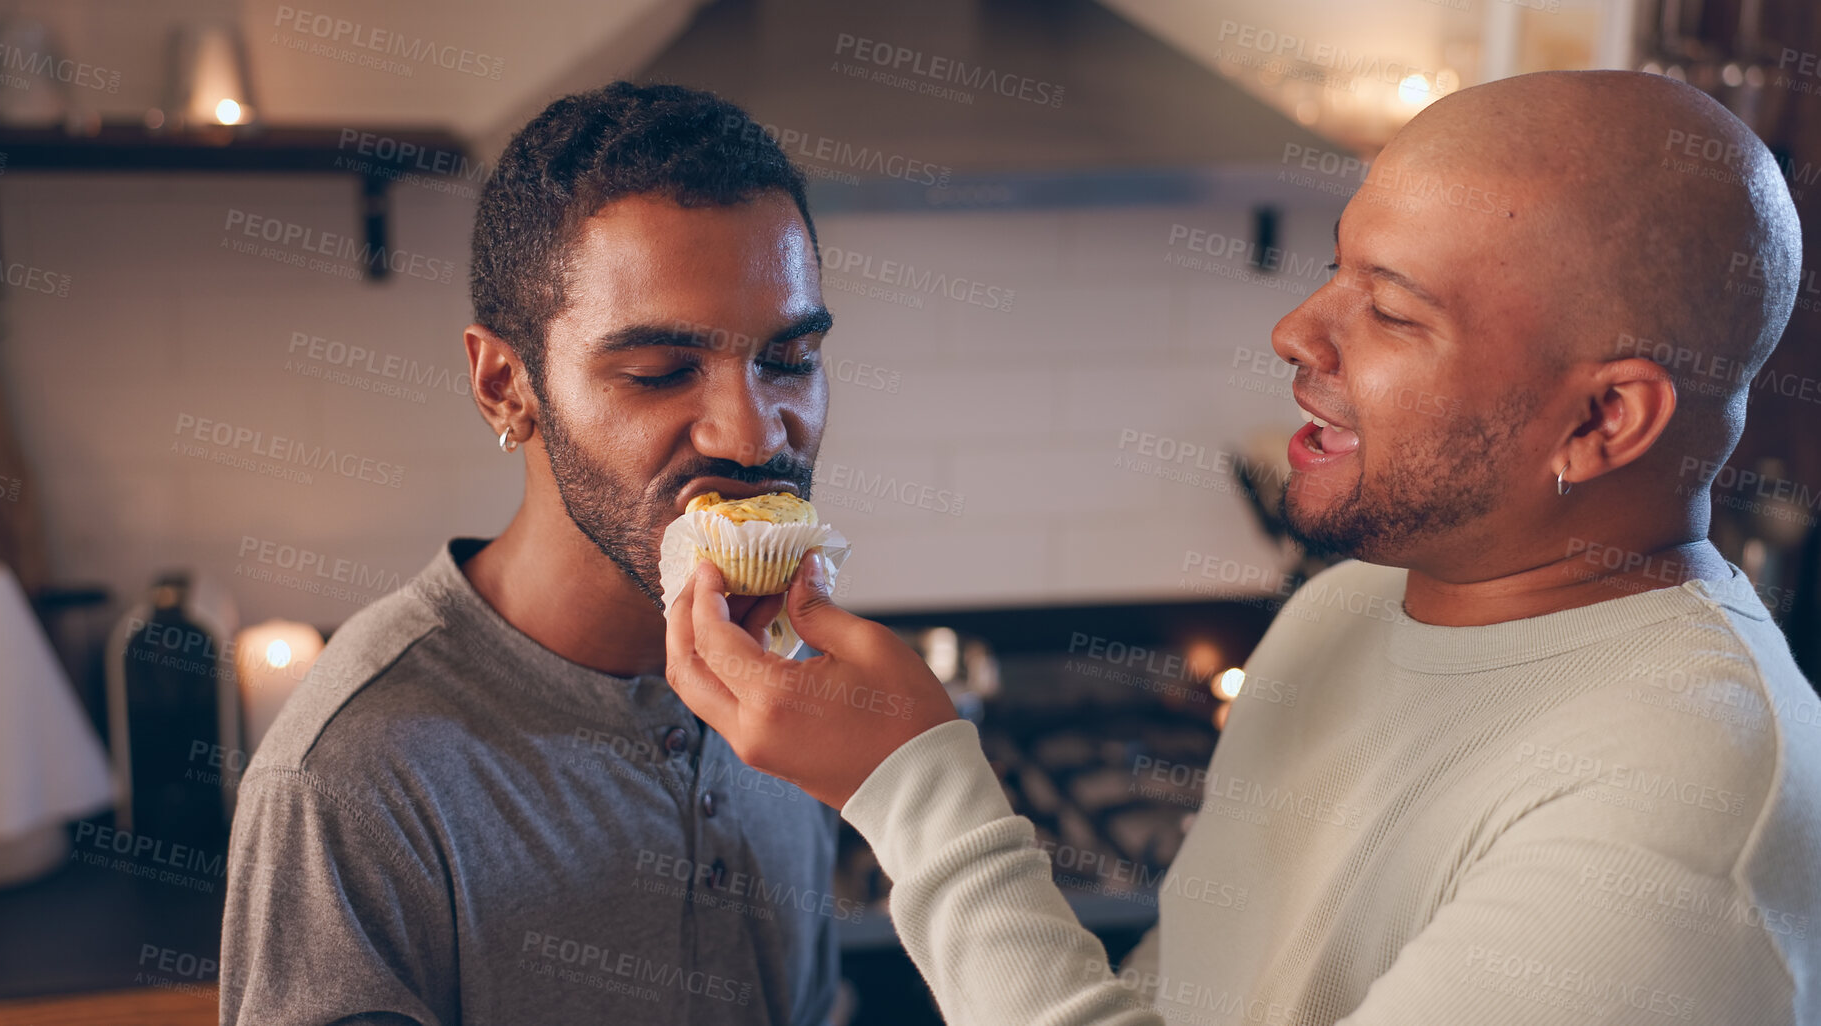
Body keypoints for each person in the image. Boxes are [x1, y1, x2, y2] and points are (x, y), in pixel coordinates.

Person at [666, 70, 1821, 1024]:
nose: (1294, 330)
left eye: (1392, 310)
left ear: (1603, 419)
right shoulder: (1343, 612)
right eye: (1334, 267)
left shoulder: (1684, 824)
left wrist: (916, 790)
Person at [222, 82, 844, 1025]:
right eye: (660, 373)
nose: (753, 434)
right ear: (506, 385)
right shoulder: (350, 782)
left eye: (789, 361)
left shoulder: (794, 684)